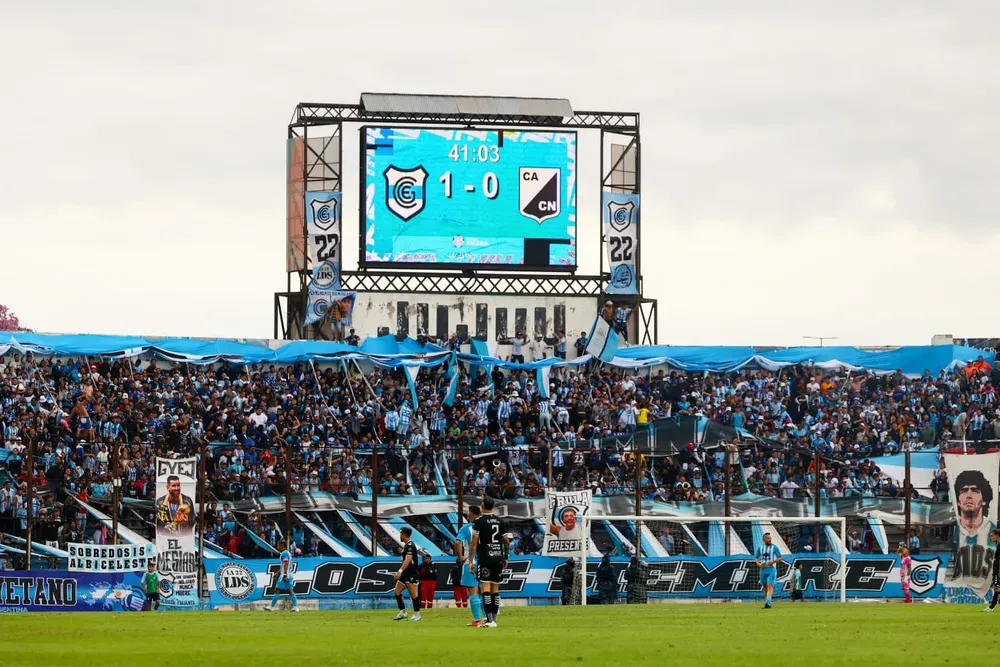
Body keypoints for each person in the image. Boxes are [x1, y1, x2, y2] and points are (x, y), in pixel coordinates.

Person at [470, 495, 509, 628]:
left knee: (485, 588)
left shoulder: (479, 521)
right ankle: (494, 620)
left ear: (482, 506)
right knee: (495, 588)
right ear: (492, 506)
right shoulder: (499, 521)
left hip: (485, 557)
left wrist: (471, 560)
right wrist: (505, 557)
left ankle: (489, 620)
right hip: (498, 556)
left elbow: (474, 543)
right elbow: (506, 541)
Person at [455, 505, 484, 626]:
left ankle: (477, 620)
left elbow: (457, 542)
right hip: (484, 561)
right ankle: (489, 618)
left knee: (473, 591)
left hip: (470, 562)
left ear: (471, 513)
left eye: (468, 512)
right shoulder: (485, 526)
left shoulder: (466, 528)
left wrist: (461, 557)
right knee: (485, 591)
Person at [392, 527, 421, 622]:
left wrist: (399, 571)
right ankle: (403, 612)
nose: (400, 536)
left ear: (404, 534)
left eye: (400, 534)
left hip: (411, 573)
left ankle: (417, 615)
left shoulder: (410, 545)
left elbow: (408, 560)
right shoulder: (406, 545)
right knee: (397, 591)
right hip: (405, 573)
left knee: (413, 594)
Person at [266, 540, 299, 612]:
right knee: (290, 591)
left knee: (277, 589)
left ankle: (271, 607)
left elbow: (286, 564)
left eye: (278, 545)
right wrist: (277, 573)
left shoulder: (284, 553)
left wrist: (284, 575)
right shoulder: (287, 553)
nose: (277, 547)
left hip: (285, 575)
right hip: (289, 574)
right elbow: (284, 565)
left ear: (282, 545)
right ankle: (296, 607)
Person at [755, 532, 782, 609]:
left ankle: (768, 603)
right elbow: (756, 558)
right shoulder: (760, 548)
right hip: (763, 569)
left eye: (770, 538)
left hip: (771, 569)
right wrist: (759, 564)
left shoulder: (774, 547)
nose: (770, 540)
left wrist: (773, 561)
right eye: (768, 538)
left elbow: (780, 557)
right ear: (764, 539)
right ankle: (767, 602)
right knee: (765, 587)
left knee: (770, 586)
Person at [983, 529, 1000, 612]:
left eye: (992, 536)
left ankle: (992, 607)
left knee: (997, 587)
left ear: (997, 535)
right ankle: (992, 606)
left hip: (998, 570)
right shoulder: (998, 544)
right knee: (997, 587)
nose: (991, 538)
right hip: (997, 569)